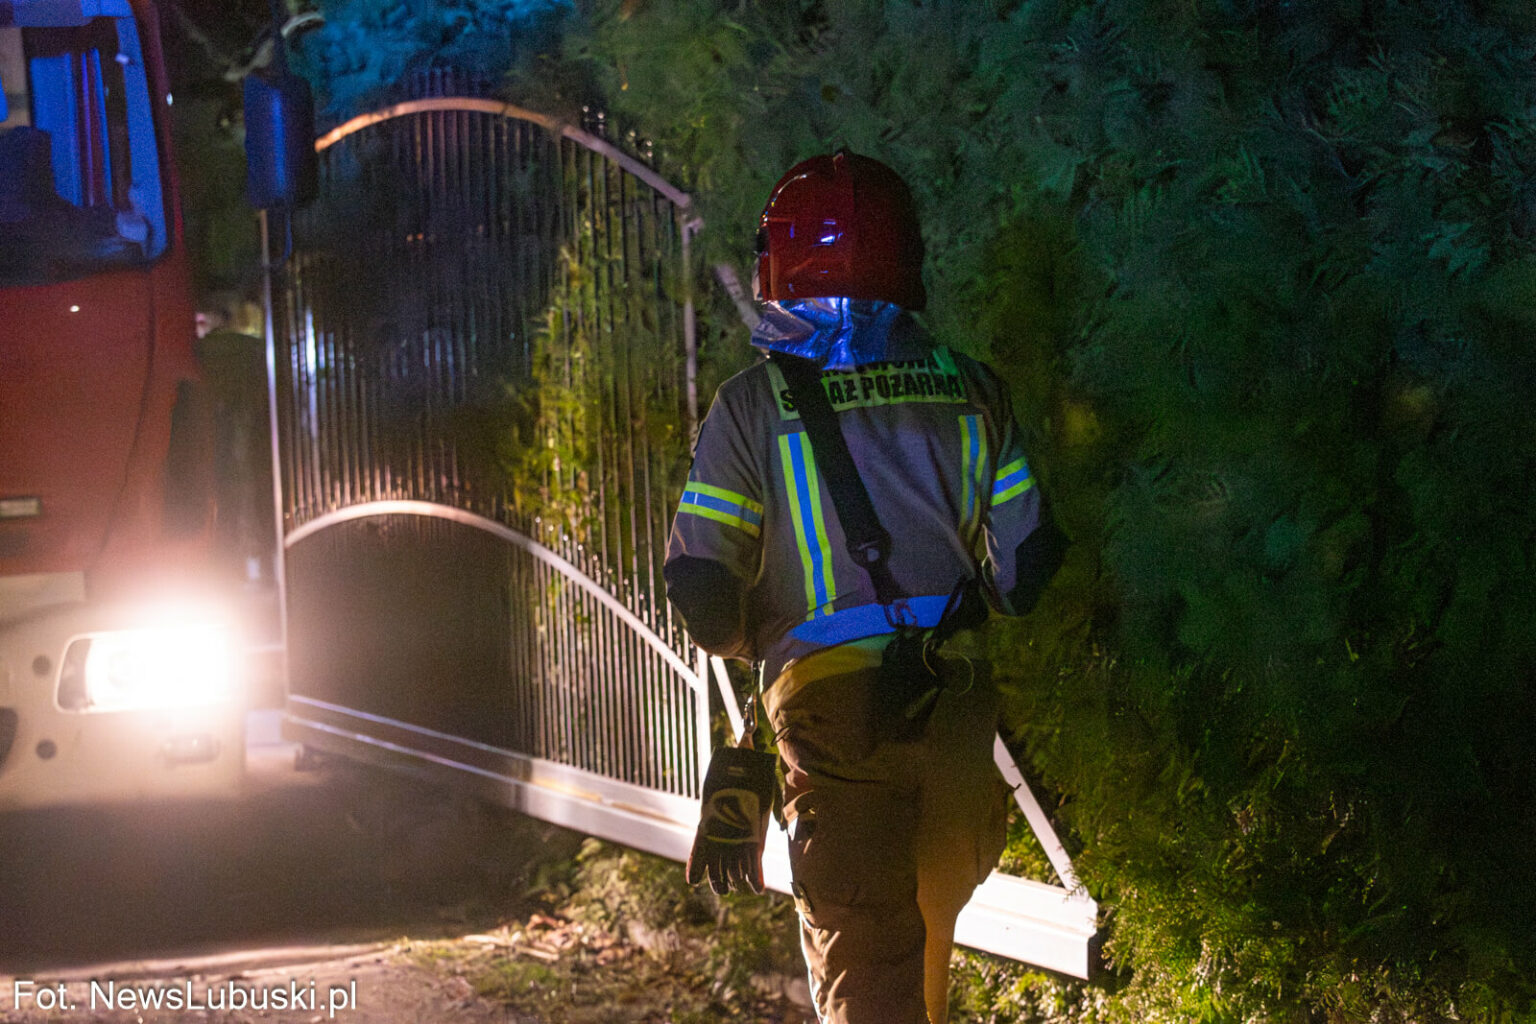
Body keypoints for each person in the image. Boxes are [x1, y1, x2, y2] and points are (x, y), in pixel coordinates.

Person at [664, 150, 1067, 1024]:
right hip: (954, 707)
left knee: (863, 963)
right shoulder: (971, 388)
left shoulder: (750, 405)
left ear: (779, 267)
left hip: (832, 723)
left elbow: (701, 584)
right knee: (924, 947)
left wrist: (759, 655)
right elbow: (1026, 568)